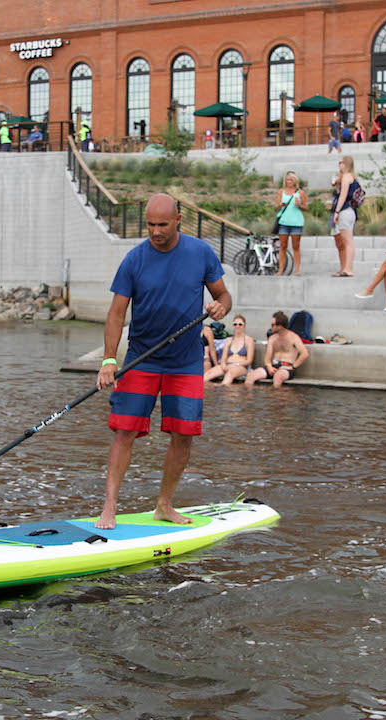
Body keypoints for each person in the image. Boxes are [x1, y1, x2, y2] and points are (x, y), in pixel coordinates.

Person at [95, 193, 231, 530]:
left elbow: (223, 296)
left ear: (178, 220)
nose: (155, 231)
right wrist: (109, 359)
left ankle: (164, 505)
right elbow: (116, 314)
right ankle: (109, 507)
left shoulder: (201, 253)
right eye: (150, 224)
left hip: (184, 361)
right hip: (142, 359)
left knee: (183, 435)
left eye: (162, 225)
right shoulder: (134, 259)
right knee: (125, 431)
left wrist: (221, 307)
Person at [245, 312, 308, 388]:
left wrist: (292, 367)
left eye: (272, 325)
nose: (271, 327)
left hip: (287, 367)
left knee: (278, 377)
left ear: (279, 326)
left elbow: (305, 354)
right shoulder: (272, 338)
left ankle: (275, 399)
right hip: (273, 366)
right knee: (250, 376)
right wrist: (269, 367)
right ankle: (249, 398)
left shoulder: (293, 337)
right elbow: (267, 358)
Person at [331, 156, 361, 277]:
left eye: (341, 163)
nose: (339, 165)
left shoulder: (346, 177)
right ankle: (346, 268)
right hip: (351, 211)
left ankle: (348, 268)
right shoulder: (352, 177)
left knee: (347, 241)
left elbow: (343, 196)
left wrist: (337, 211)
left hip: (345, 210)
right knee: (347, 240)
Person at [204, 314, 255, 385]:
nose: (237, 326)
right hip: (227, 365)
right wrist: (223, 365)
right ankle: (211, 390)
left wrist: (236, 364)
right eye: (235, 324)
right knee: (207, 375)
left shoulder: (249, 340)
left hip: (241, 366)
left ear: (244, 325)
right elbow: (223, 358)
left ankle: (222, 390)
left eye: (240, 324)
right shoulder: (229, 340)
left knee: (229, 374)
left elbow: (249, 360)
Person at [275, 171, 308, 276]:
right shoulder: (281, 191)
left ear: (295, 181)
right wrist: (281, 204)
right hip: (284, 222)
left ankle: (297, 270)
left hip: (296, 222)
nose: (289, 181)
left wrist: (299, 205)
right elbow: (276, 207)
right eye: (287, 179)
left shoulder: (300, 192)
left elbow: (306, 207)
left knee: (296, 246)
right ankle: (281, 269)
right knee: (283, 246)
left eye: (291, 179)